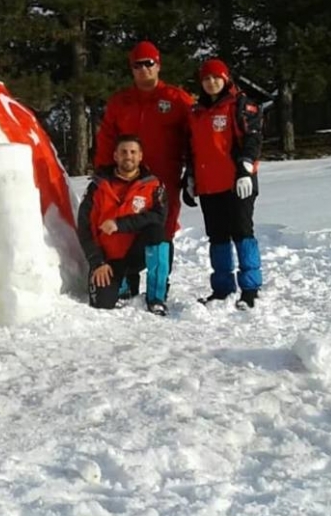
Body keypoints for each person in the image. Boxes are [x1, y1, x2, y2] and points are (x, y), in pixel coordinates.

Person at [94, 42, 194, 266]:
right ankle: (125, 278)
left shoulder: (177, 99)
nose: (143, 69)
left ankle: (158, 289)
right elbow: (107, 138)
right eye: (137, 65)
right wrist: (102, 170)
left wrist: (193, 172)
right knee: (122, 223)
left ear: (158, 65)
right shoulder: (121, 102)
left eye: (149, 63)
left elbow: (196, 135)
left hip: (164, 176)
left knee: (163, 227)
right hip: (126, 177)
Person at [185, 58, 263, 308]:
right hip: (208, 185)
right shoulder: (196, 112)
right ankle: (222, 288)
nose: (211, 82)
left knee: (242, 233)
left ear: (225, 78)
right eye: (206, 79)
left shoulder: (239, 105)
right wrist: (190, 178)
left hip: (236, 183)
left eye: (216, 77)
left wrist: (246, 168)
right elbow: (193, 149)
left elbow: (253, 138)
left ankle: (250, 288)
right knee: (217, 237)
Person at [77, 134, 170, 316]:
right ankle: (124, 284)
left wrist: (120, 224)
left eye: (133, 152)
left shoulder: (153, 186)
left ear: (141, 156)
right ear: (115, 156)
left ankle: (156, 298)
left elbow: (159, 217)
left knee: (158, 233)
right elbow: (85, 228)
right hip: (108, 259)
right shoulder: (97, 187)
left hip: (137, 253)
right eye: (124, 152)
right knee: (102, 303)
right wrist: (97, 262)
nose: (129, 156)